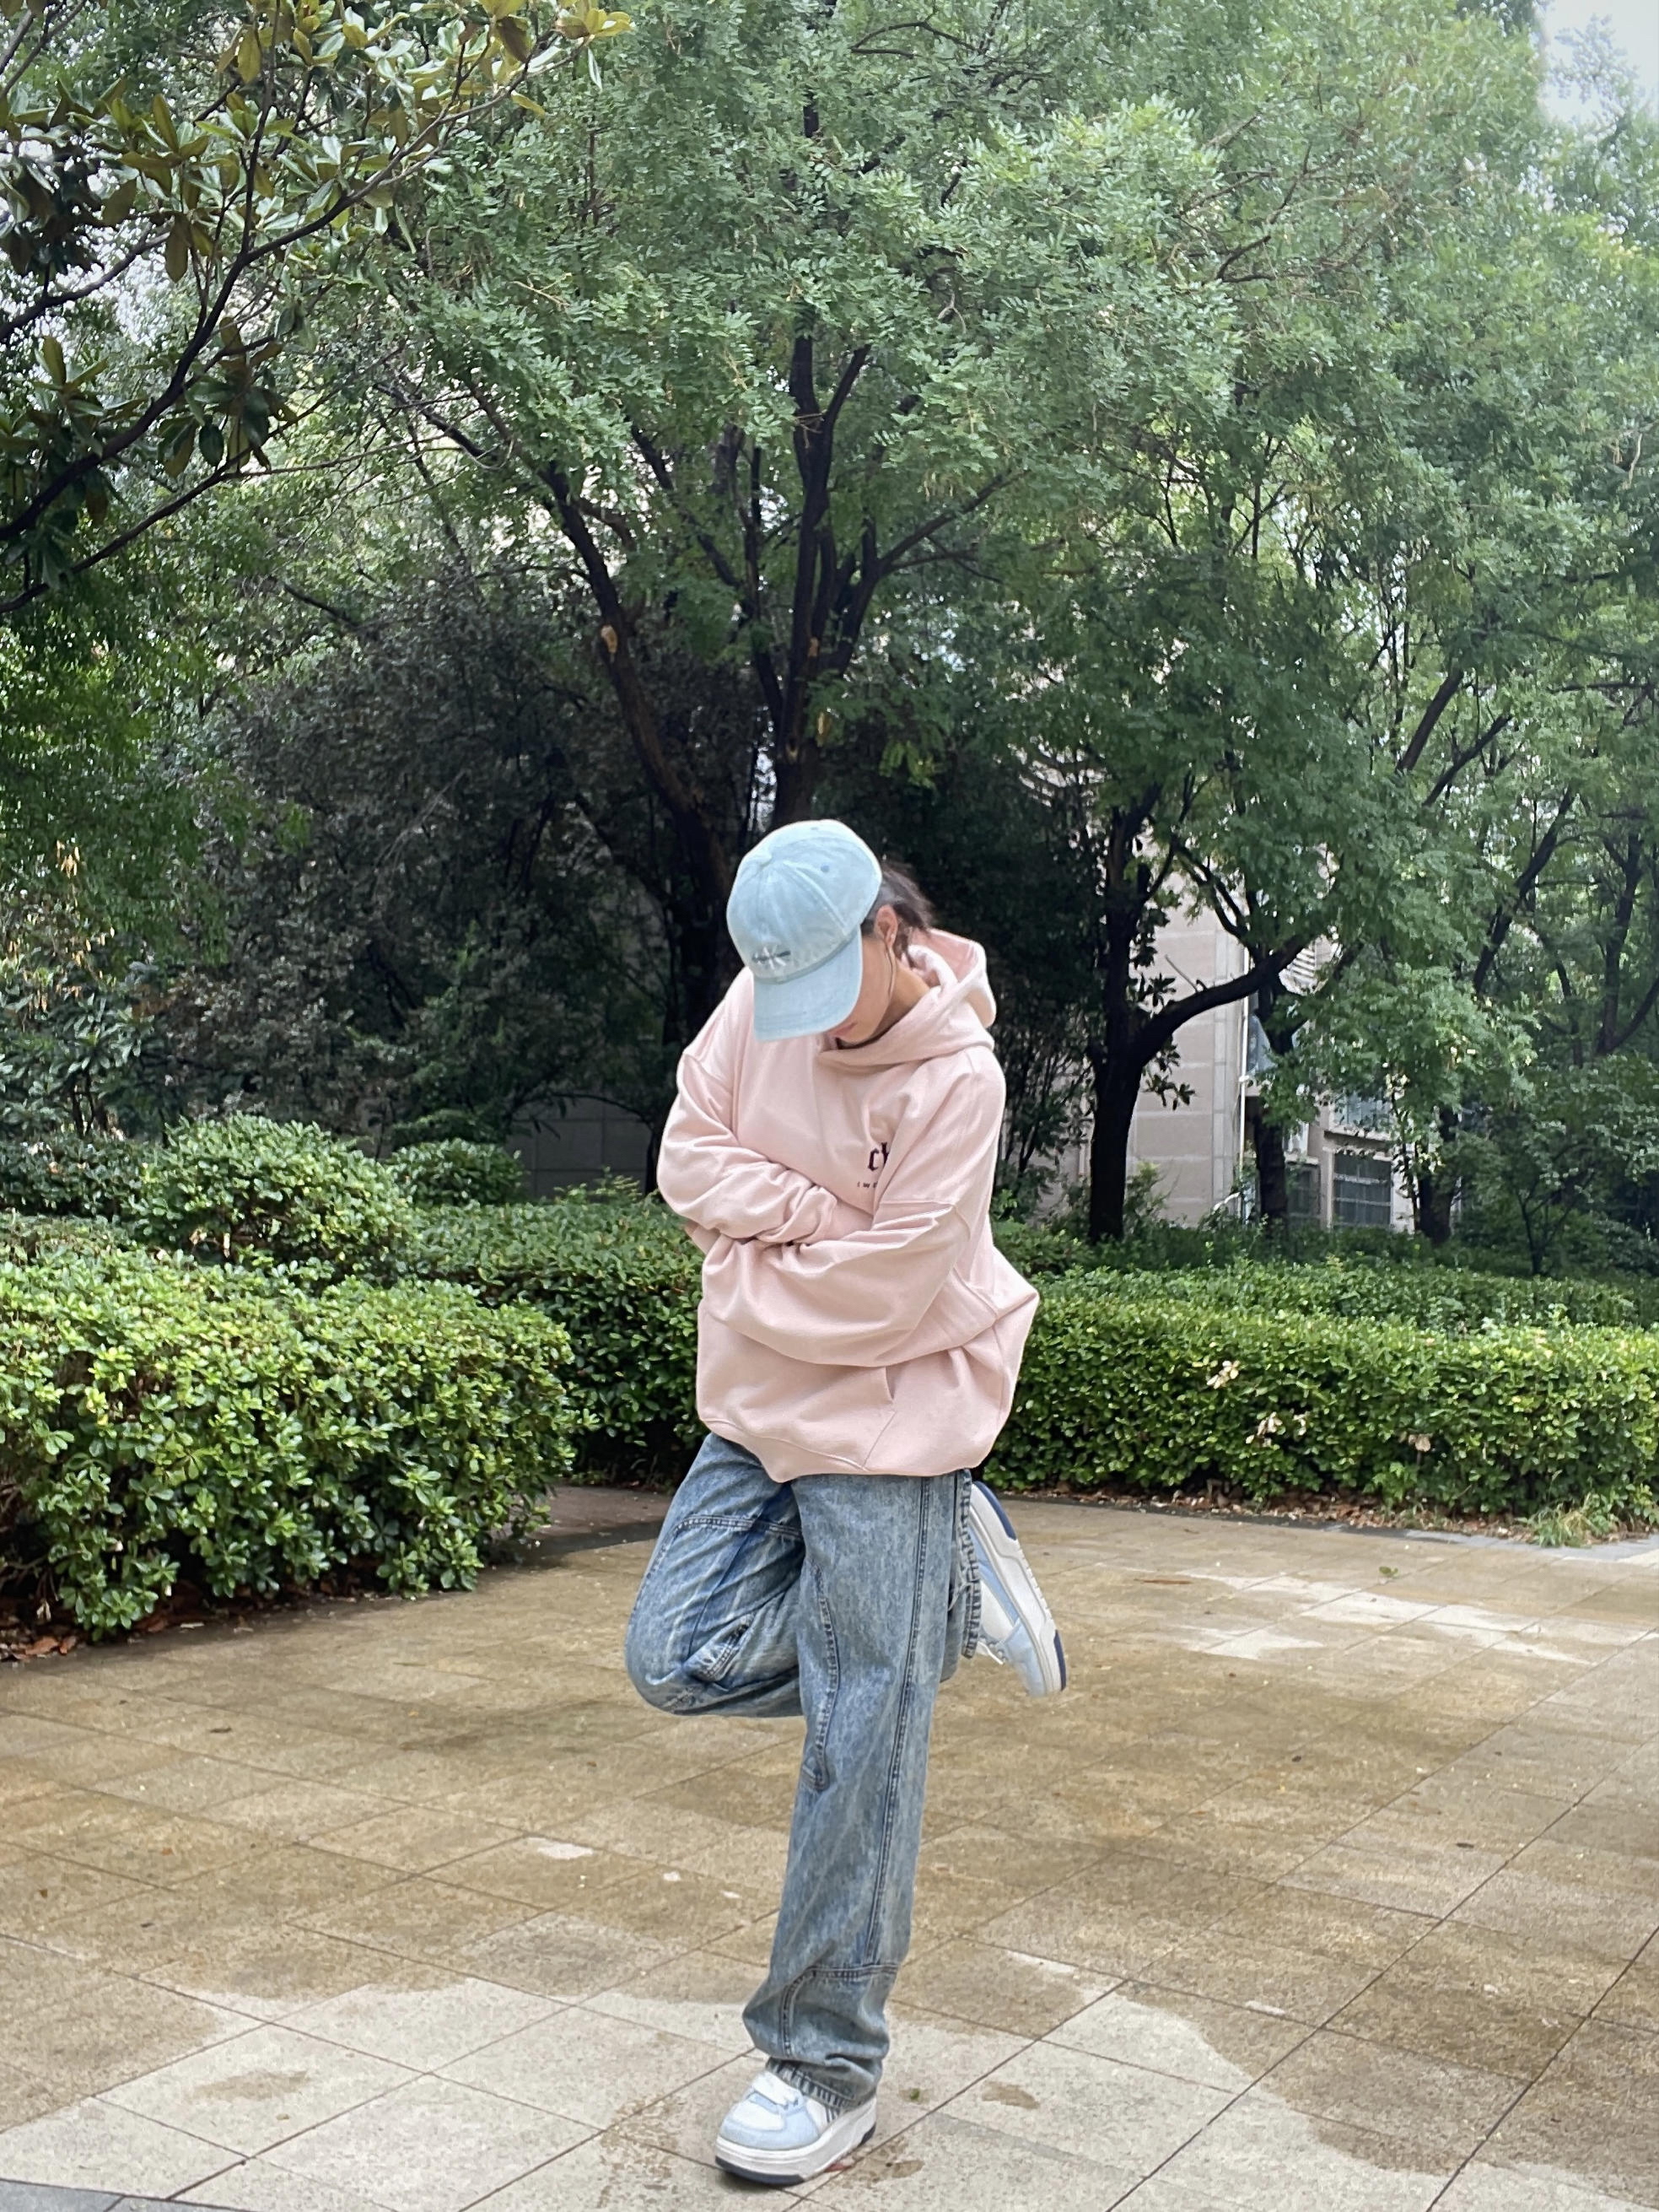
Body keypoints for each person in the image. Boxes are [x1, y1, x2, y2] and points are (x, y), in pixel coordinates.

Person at [623, 817, 1064, 2188]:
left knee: (863, 1732)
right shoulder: (763, 987)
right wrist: (819, 1218)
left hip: (893, 1417)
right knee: (675, 1654)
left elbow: (886, 1299)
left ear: (888, 927)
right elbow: (685, 1158)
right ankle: (946, 1597)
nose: (808, 1024)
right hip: (762, 1407)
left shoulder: (960, 1077)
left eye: (831, 986)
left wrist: (746, 1255)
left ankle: (824, 2060)